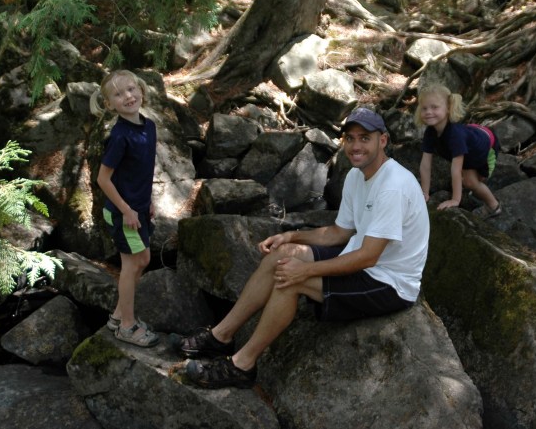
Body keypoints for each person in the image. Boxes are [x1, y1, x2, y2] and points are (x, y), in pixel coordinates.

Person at [175, 107, 430, 389]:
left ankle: (242, 365)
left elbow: (369, 257)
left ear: (383, 140)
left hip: (390, 282)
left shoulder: (393, 186)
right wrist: (291, 237)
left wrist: (306, 271)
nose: (356, 146)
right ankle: (220, 336)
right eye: (350, 138)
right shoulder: (356, 176)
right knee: (282, 257)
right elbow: (339, 232)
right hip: (363, 259)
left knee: (291, 280)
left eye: (365, 138)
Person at [90, 69, 159, 347]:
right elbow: (103, 179)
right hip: (123, 213)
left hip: (138, 208)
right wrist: (127, 210)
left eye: (131, 89)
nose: (128, 96)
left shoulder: (149, 126)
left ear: (141, 90)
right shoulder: (120, 136)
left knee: (142, 260)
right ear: (109, 104)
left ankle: (118, 316)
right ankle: (127, 327)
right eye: (118, 94)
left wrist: (148, 201)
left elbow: (141, 170)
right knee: (132, 265)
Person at [415, 84, 501, 215]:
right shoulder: (430, 132)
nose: (428, 112)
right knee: (467, 179)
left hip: (486, 144)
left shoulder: (455, 135)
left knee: (471, 182)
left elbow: (456, 169)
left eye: (434, 107)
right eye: (424, 108)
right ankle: (472, 191)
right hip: (469, 136)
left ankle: (494, 206)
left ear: (448, 108)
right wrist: (424, 193)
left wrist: (455, 200)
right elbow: (425, 165)